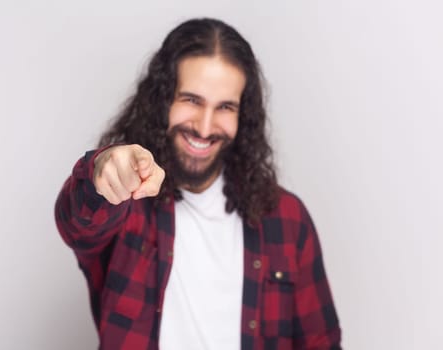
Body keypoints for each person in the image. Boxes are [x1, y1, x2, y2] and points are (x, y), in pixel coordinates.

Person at [55, 18, 341, 350]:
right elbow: (76, 223)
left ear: (242, 116)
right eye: (192, 100)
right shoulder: (126, 203)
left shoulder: (287, 218)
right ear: (163, 100)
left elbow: (321, 341)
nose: (205, 127)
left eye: (225, 107)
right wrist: (101, 170)